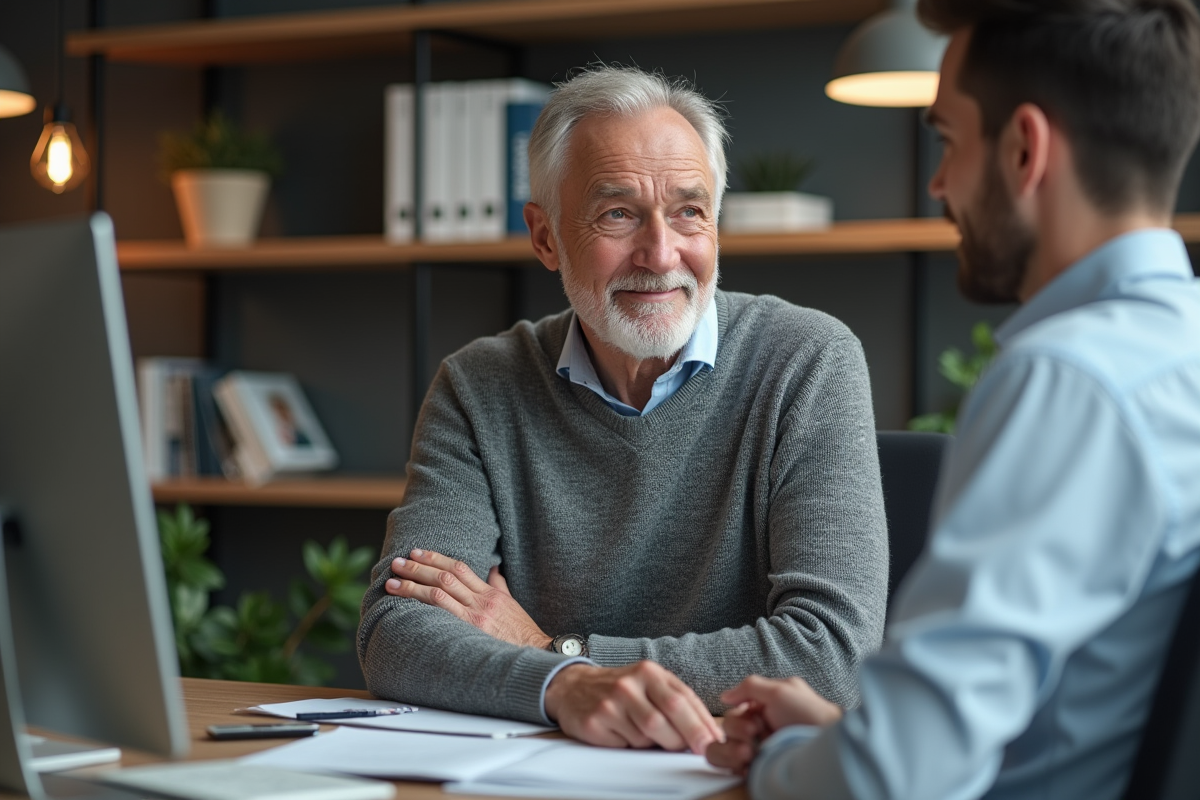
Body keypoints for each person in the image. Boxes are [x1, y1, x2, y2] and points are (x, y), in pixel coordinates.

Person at [706, 1, 1200, 797]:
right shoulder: (1179, 352)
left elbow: (890, 779)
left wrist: (774, 764)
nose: (938, 183)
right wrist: (843, 736)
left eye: (947, 141)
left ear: (1025, 150)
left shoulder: (1065, 381)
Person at [357, 66, 889, 755]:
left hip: (726, 774)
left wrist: (561, 653)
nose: (661, 253)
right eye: (618, 214)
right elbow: (397, 632)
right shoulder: (478, 384)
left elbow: (830, 659)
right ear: (545, 238)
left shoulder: (808, 361)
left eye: (689, 212)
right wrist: (563, 688)